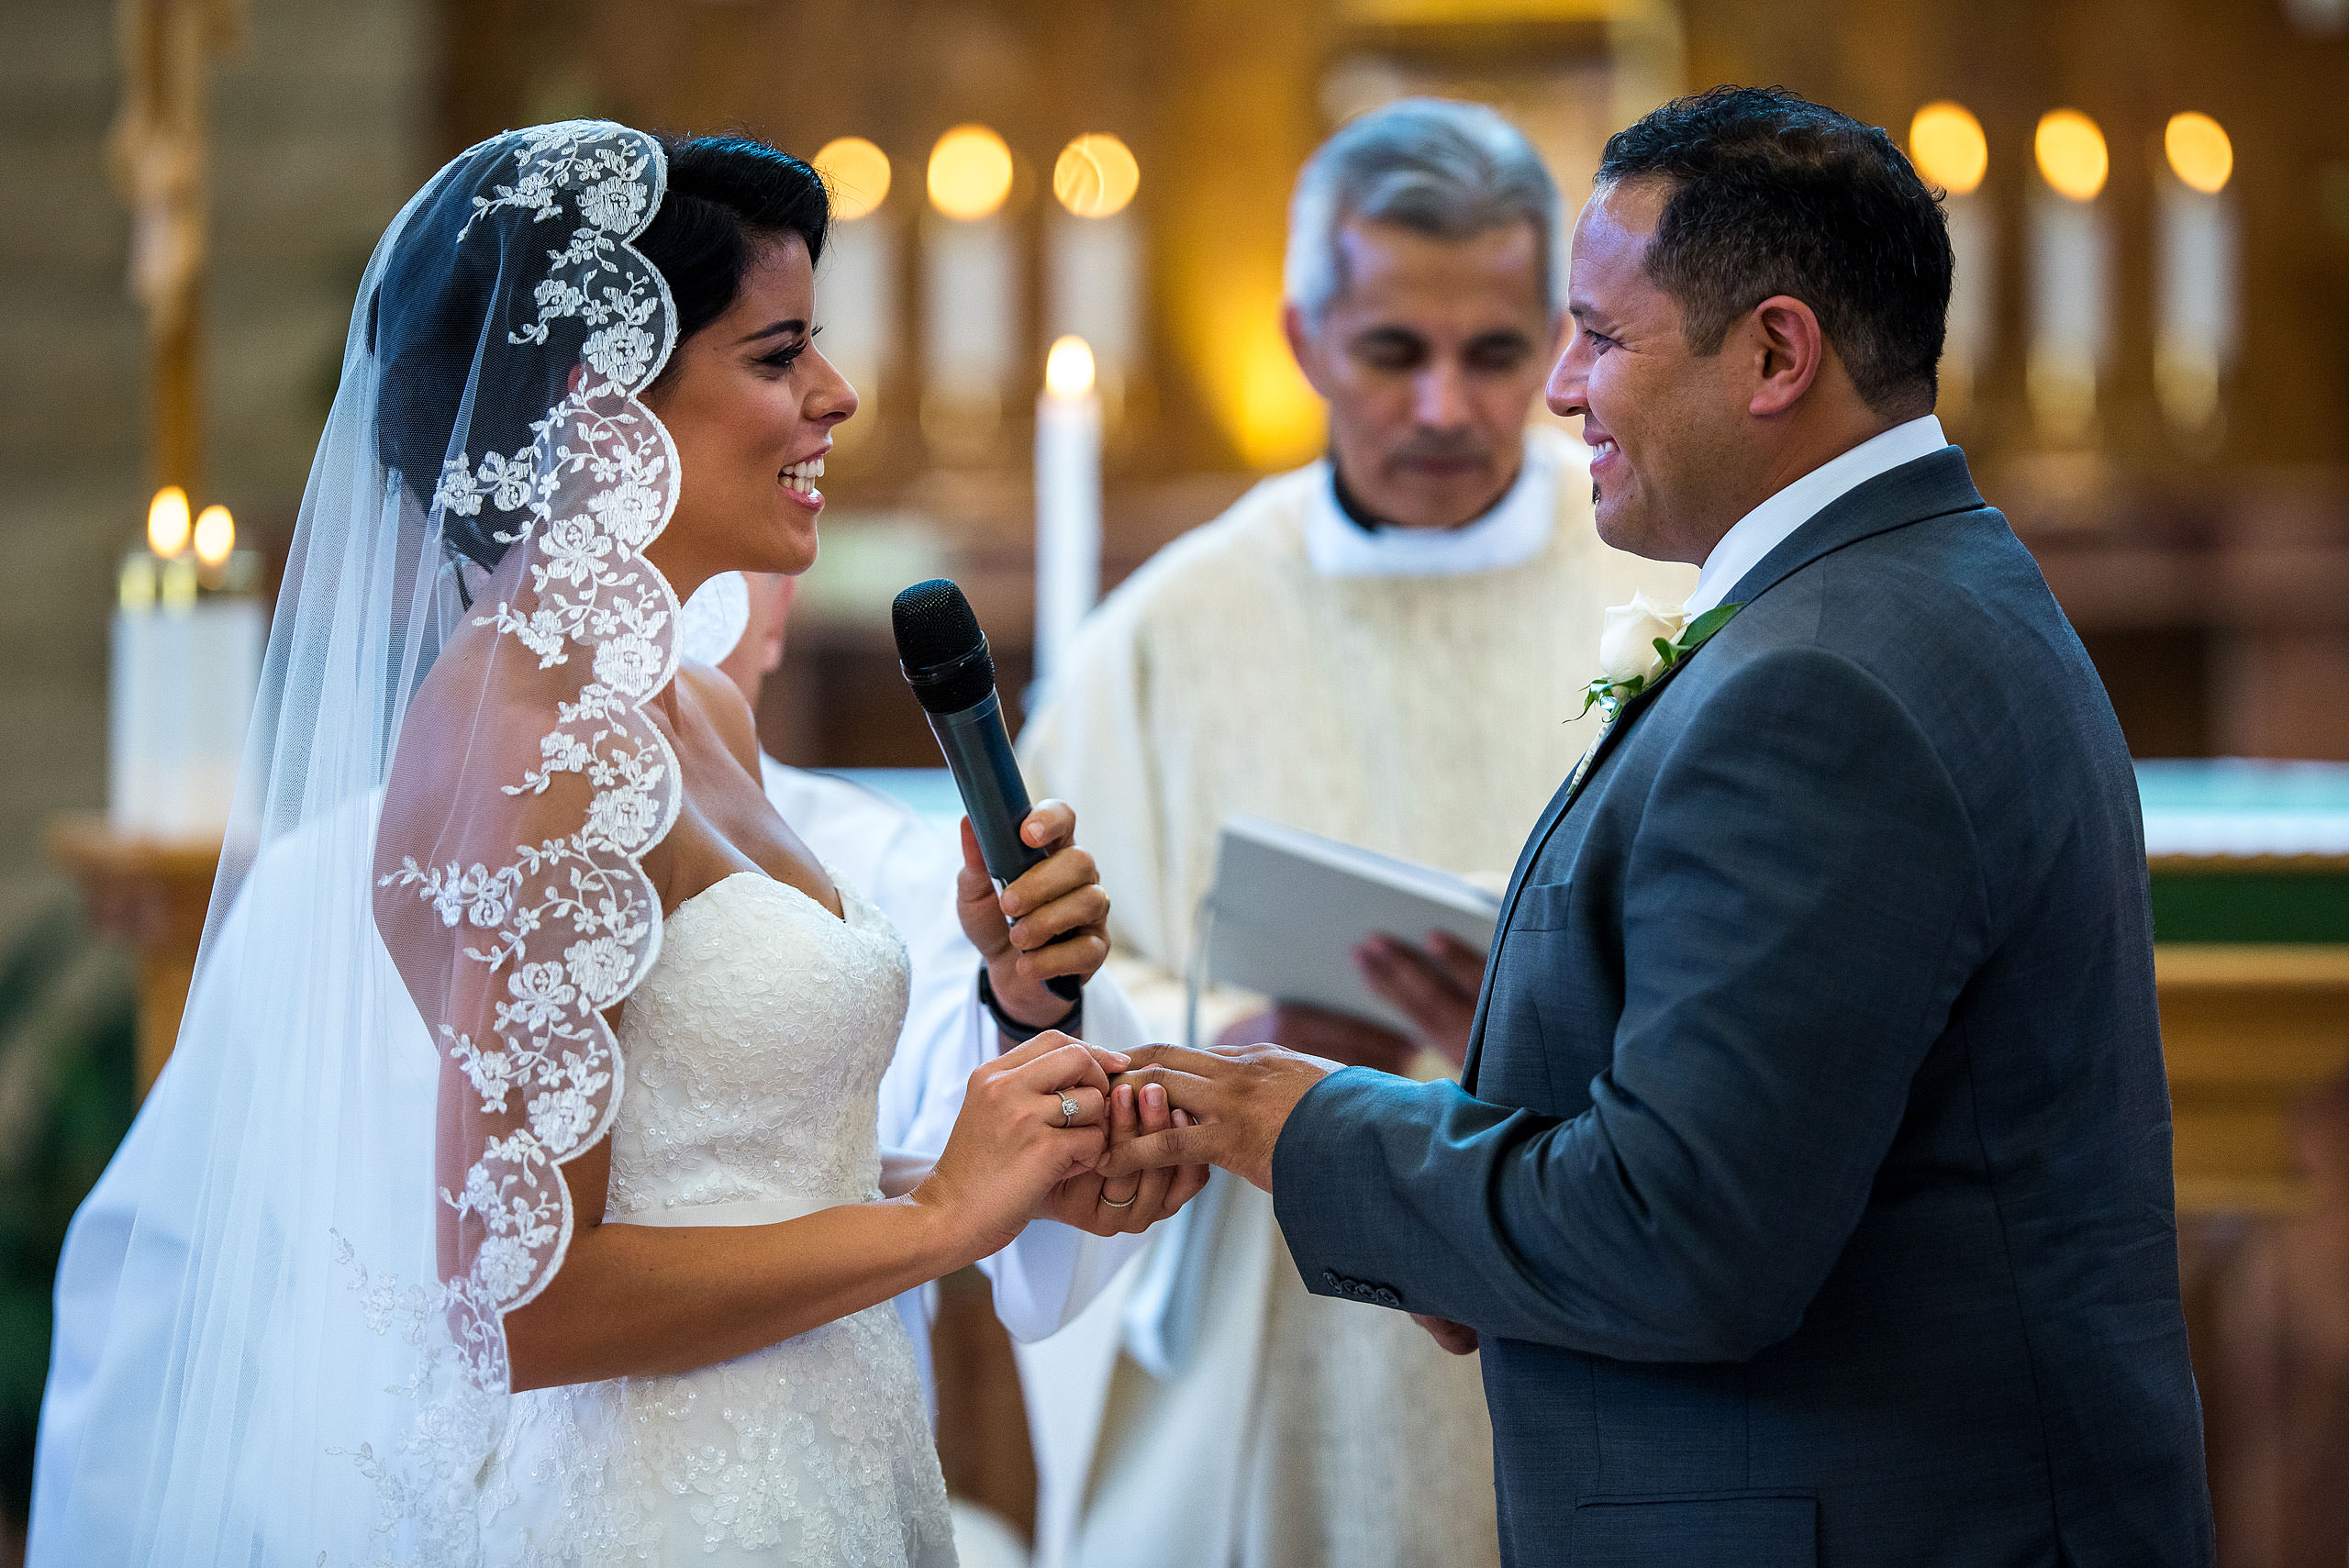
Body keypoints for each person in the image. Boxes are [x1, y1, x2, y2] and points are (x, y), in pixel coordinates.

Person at [27, 125, 1187, 1565]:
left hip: (812, 1458)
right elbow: (521, 1298)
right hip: (650, 1507)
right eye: (777, 356)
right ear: (599, 405)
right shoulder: (535, 746)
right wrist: (945, 1218)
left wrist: (1003, 1151)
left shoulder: (686, 702)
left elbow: (720, 1182)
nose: (837, 396)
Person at [1105, 86, 2217, 1566]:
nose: (1560, 388)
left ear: (1773, 352)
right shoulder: (1917, 585)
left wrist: (1291, 1117)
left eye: (1600, 335)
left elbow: (1683, 1236)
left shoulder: (1820, 680)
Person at [1016, 98, 1687, 1568]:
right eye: (1393, 351)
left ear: (1565, 343)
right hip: (1266, 1311)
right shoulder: (1166, 638)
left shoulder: (1668, 610)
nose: (1445, 405)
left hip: (1577, 1293)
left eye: (1495, 351)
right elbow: (1037, 997)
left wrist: (1541, 1025)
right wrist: (1238, 1040)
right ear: (1306, 337)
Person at [681, 568, 1206, 1417]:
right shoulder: (444, 837)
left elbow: (938, 1142)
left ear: (779, 607)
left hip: (831, 1419)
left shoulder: (875, 857)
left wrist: (1028, 1010)